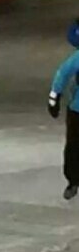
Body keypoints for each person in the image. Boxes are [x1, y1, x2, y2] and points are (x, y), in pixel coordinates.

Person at [47, 47, 79, 200]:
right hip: (77, 110)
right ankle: (73, 180)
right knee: (74, 146)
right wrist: (54, 98)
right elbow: (63, 72)